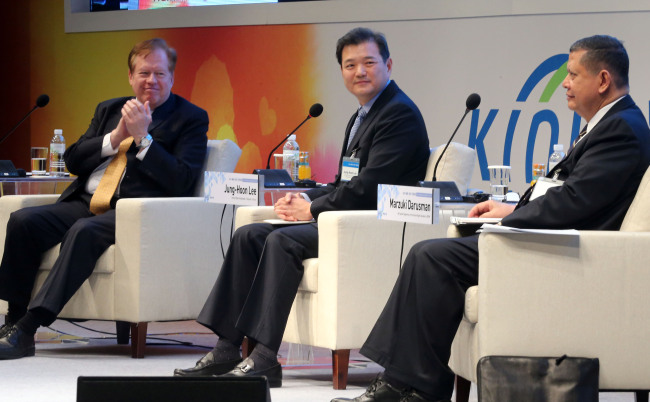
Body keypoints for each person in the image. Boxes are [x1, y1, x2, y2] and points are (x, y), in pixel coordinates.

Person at [331, 34, 650, 402]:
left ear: (603, 80)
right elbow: (568, 193)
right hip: (552, 238)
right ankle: (409, 385)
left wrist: (506, 223)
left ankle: (409, 387)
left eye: (573, 75)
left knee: (431, 257)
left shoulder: (622, 130)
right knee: (431, 254)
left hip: (568, 252)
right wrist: (511, 210)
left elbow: (574, 202)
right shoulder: (609, 123)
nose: (565, 83)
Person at [174, 27, 430, 387]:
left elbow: (370, 188)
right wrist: (307, 198)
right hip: (344, 215)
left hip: (369, 227)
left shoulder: (398, 115)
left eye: (369, 63)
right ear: (341, 71)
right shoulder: (363, 116)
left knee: (282, 241)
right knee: (249, 235)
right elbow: (346, 183)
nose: (360, 72)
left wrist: (312, 210)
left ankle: (264, 358)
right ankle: (227, 348)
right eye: (350, 64)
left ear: (388, 64)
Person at [0, 38, 209, 359]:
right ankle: (13, 322)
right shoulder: (109, 109)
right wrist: (115, 137)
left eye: (160, 74)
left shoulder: (190, 118)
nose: (151, 81)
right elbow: (73, 160)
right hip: (87, 202)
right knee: (24, 221)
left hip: (136, 212)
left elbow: (181, 179)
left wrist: (143, 137)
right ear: (130, 76)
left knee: (84, 231)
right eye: (143, 73)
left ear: (172, 78)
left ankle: (30, 325)